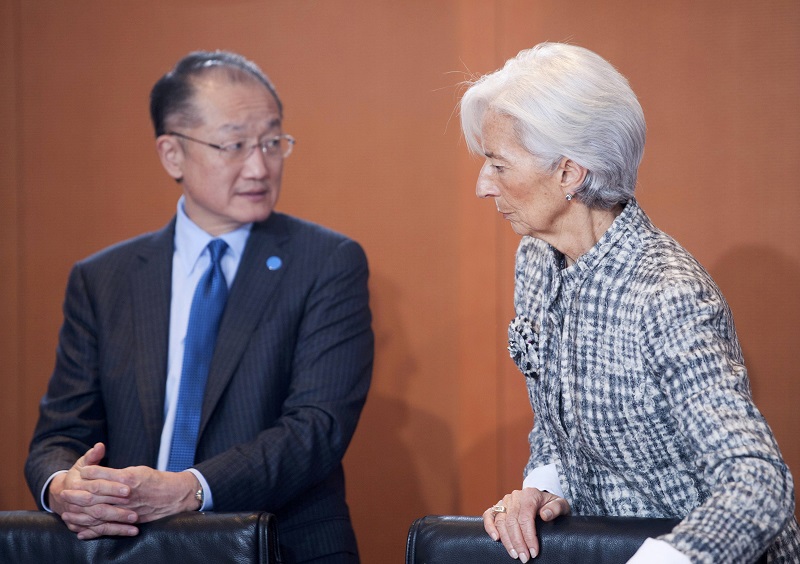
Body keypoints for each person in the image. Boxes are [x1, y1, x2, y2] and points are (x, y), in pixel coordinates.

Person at [25, 50, 373, 564]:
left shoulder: (327, 261)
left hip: (278, 545)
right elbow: (60, 434)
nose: (259, 166)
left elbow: (317, 428)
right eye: (234, 145)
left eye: (272, 142)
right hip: (127, 546)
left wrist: (189, 489)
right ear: (172, 154)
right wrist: (64, 488)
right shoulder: (104, 279)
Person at [459, 42, 800, 563]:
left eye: (498, 165)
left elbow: (759, 485)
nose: (483, 186)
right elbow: (557, 416)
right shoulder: (537, 259)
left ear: (569, 173)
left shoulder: (667, 294)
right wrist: (545, 485)